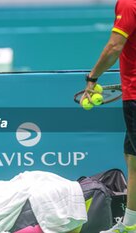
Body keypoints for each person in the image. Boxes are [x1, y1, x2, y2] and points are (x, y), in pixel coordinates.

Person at [81, 0, 136, 232]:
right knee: (132, 159)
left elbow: (114, 46)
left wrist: (92, 78)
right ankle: (130, 224)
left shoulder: (128, 3)